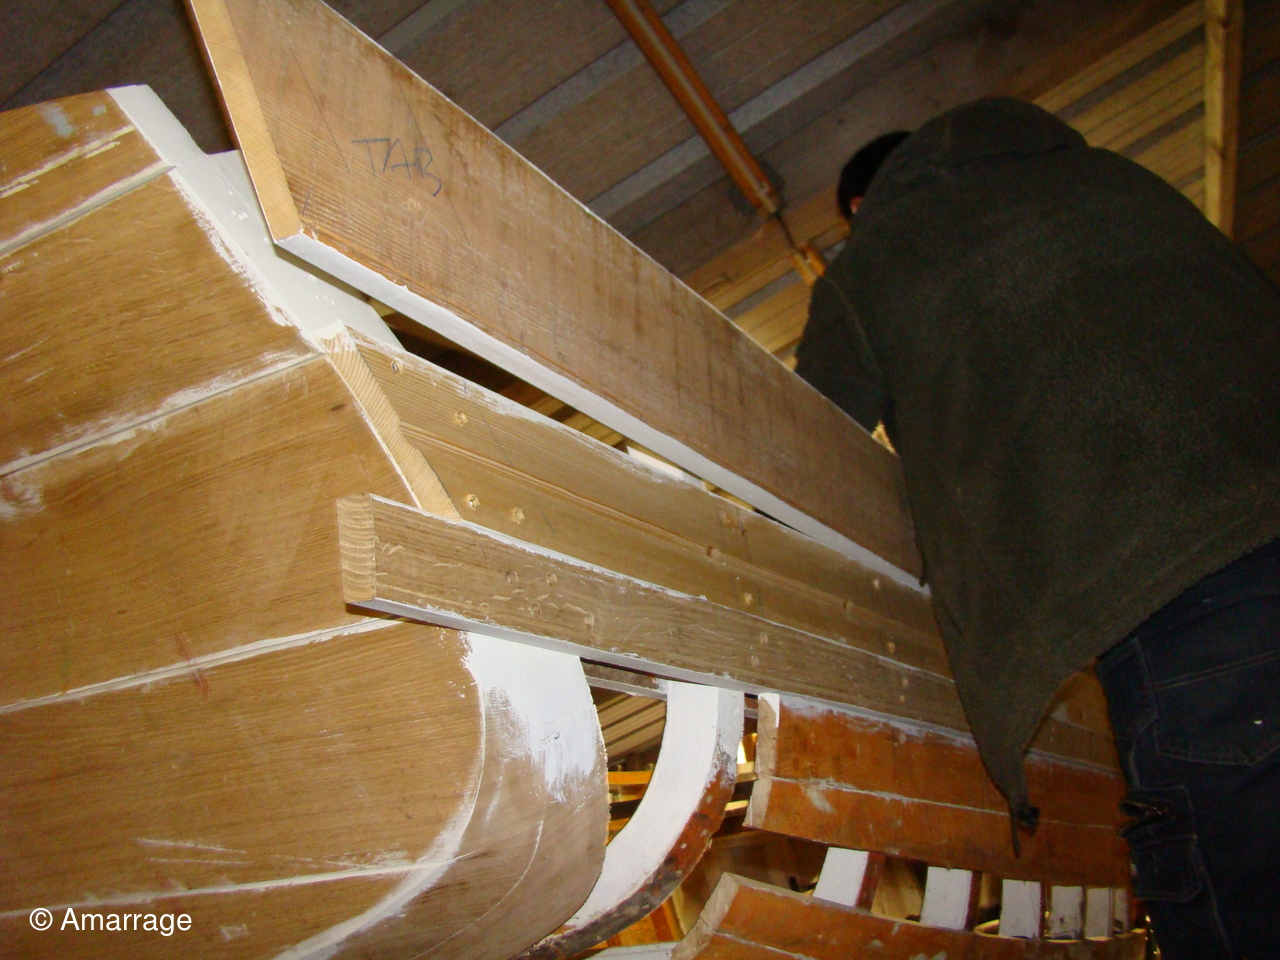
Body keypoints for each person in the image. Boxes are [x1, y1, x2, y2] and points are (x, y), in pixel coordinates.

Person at [794, 97, 1280, 960]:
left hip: (1176, 588)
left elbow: (807, 438)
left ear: (862, 207)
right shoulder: (1111, 175)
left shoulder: (873, 260)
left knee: (1243, 902)